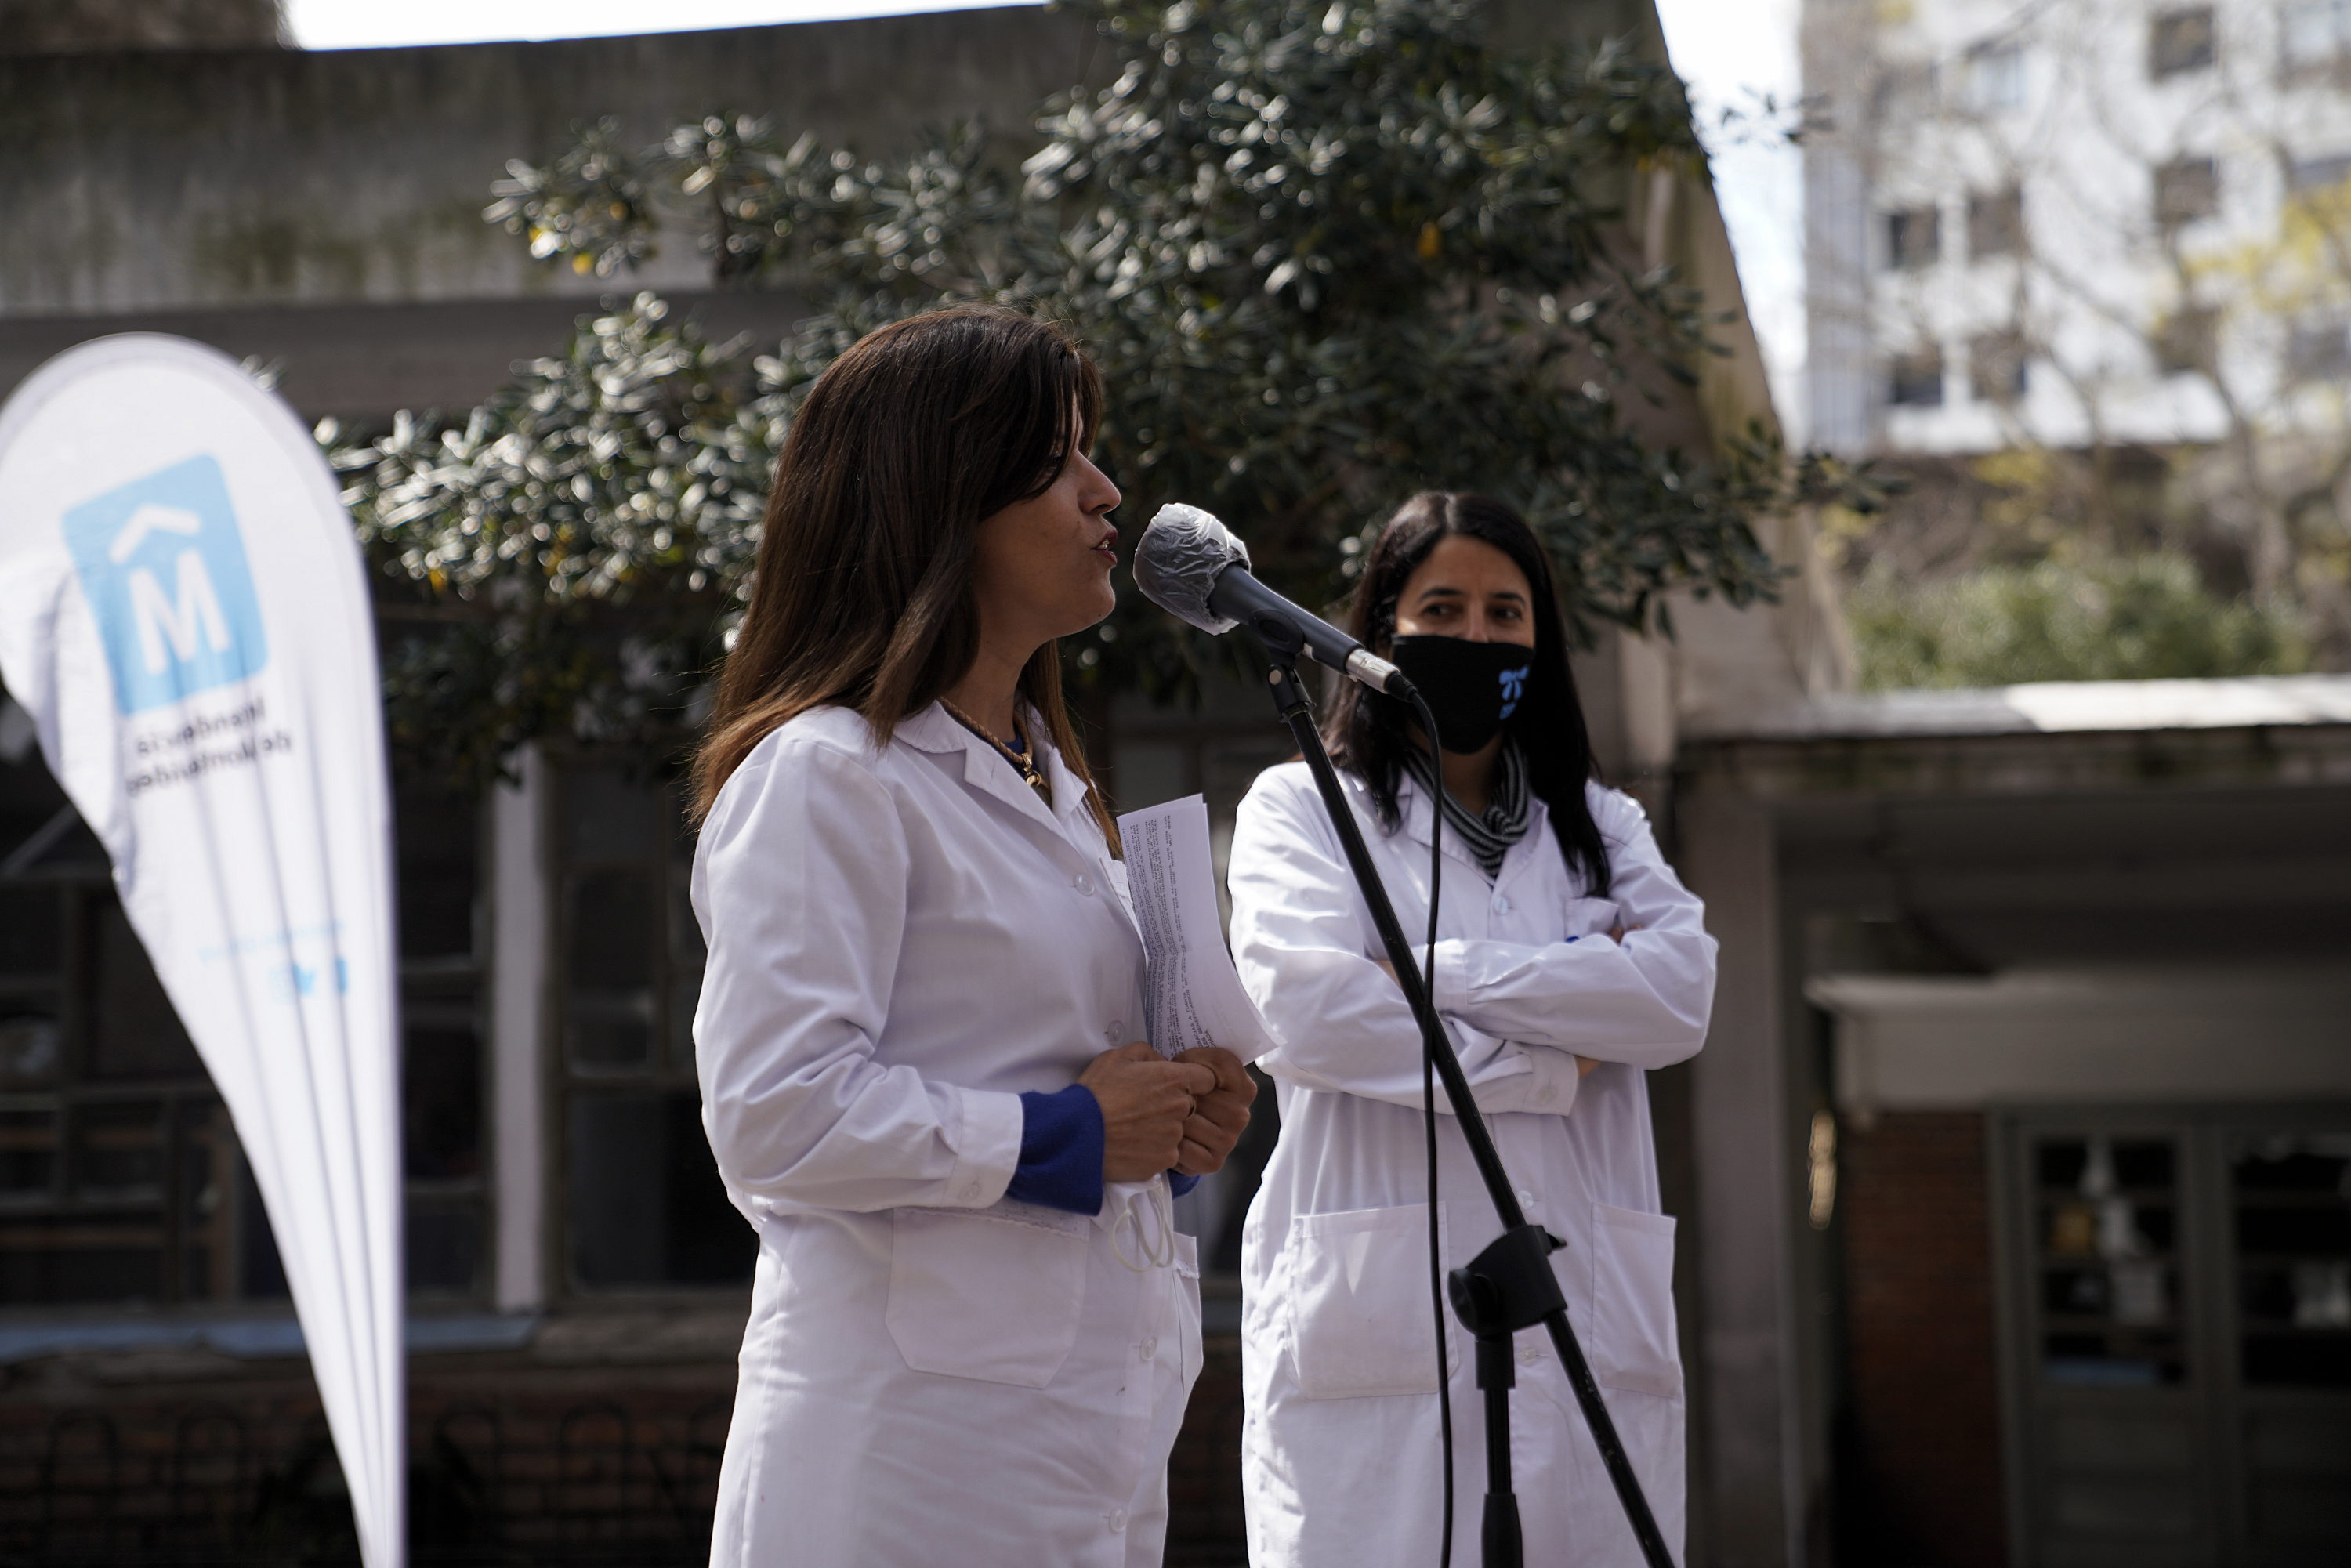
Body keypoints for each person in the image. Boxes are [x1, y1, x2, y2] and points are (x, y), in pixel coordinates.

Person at [687, 305, 1257, 1567]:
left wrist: (1171, 1131)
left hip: (1082, 1449)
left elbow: (1031, 1063)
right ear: (945, 500)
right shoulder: (828, 775)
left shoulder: (1054, 783)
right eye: (1059, 462)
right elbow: (774, 1111)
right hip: (909, 1466)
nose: (1108, 492)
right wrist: (1067, 1134)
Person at [1225, 492, 1717, 1567]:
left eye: (1507, 612)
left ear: (1540, 642)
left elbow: (1679, 998)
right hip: (1381, 1336)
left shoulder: (1602, 825)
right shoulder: (1303, 808)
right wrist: (1561, 1039)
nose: (1476, 636)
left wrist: (1428, 969)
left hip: (1589, 1311)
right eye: (1441, 607)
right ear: (1381, 630)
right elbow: (1309, 1009)